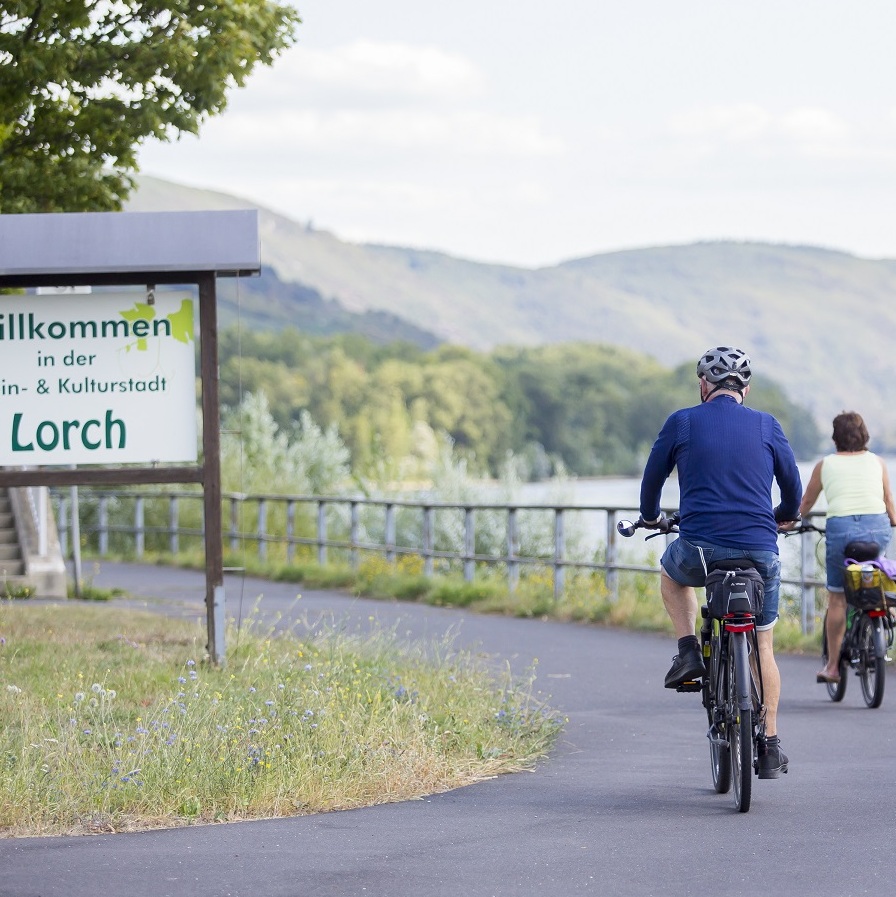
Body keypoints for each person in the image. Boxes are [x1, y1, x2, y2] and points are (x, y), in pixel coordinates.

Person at [637, 346, 802, 779]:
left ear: (703, 385)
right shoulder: (768, 425)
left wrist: (652, 516)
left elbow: (651, 480)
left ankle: (689, 651)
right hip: (760, 550)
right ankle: (768, 744)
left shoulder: (683, 421)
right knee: (763, 646)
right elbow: (793, 490)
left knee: (673, 576)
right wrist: (784, 516)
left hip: (701, 549)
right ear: (745, 388)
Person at [798, 411, 896, 683]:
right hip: (877, 528)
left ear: (835, 438)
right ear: (864, 435)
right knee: (874, 577)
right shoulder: (878, 462)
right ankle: (881, 622)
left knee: (838, 598)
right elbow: (889, 503)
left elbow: (806, 503)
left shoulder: (825, 464)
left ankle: (832, 667)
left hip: (841, 531)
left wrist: (792, 521)